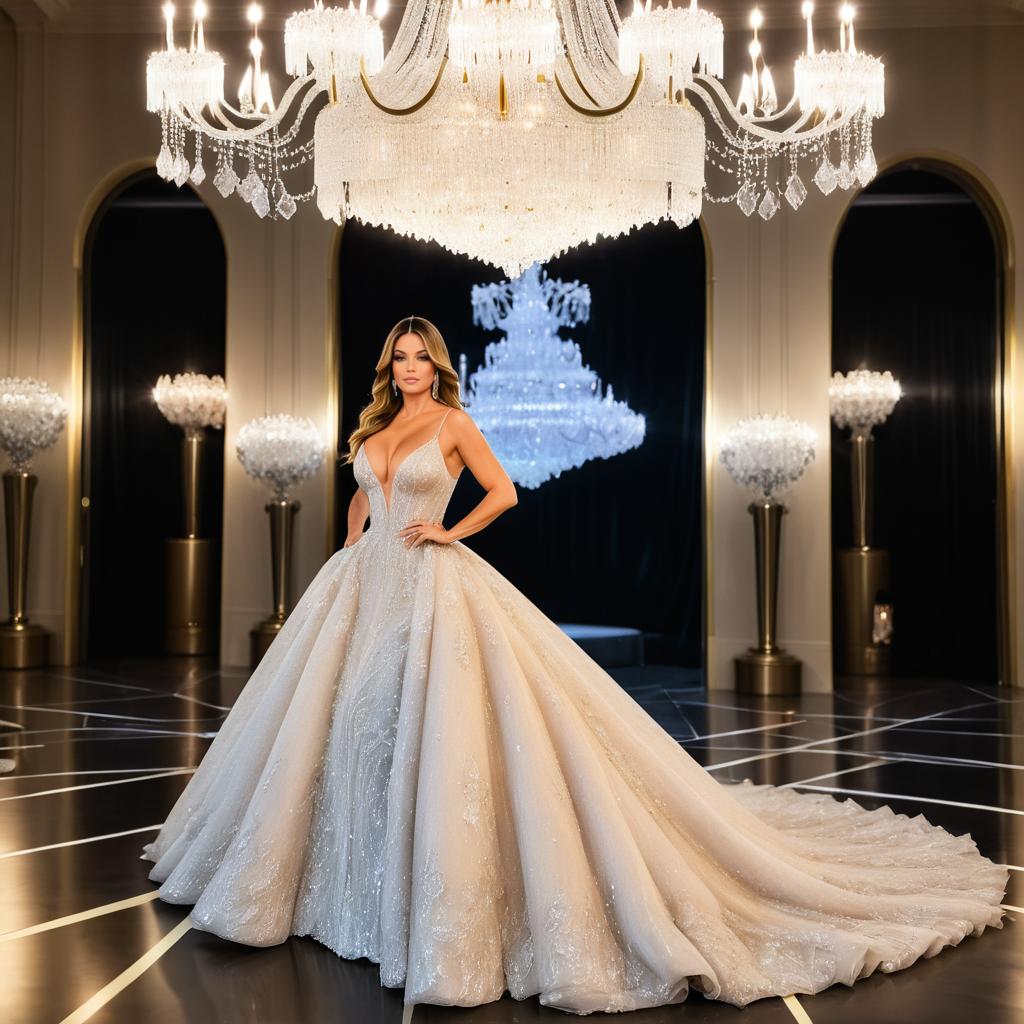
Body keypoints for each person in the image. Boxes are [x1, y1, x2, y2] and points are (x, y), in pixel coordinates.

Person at [143, 315, 1007, 1015]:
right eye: (399, 358)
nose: (409, 368)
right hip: (362, 591)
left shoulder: (453, 423)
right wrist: (347, 554)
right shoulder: (374, 426)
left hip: (431, 589)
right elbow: (361, 499)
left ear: (438, 365)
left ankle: (419, 899)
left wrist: (450, 530)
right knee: (352, 732)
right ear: (389, 365)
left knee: (423, 731)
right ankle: (352, 890)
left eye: (420, 358)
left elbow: (505, 492)